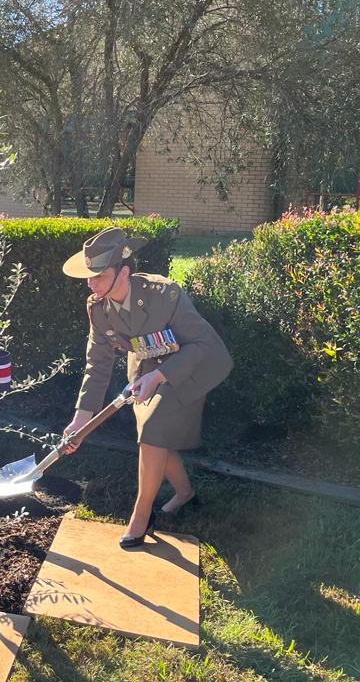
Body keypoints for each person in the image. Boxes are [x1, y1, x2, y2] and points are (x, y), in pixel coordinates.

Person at [61, 227, 232, 548]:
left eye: (98, 275)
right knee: (154, 437)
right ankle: (185, 493)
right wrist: (81, 418)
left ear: (123, 272)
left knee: (153, 431)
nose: (90, 282)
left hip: (191, 365)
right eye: (89, 275)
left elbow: (202, 344)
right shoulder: (99, 308)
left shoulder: (163, 295)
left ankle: (142, 514)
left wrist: (158, 377)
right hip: (146, 368)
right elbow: (97, 363)